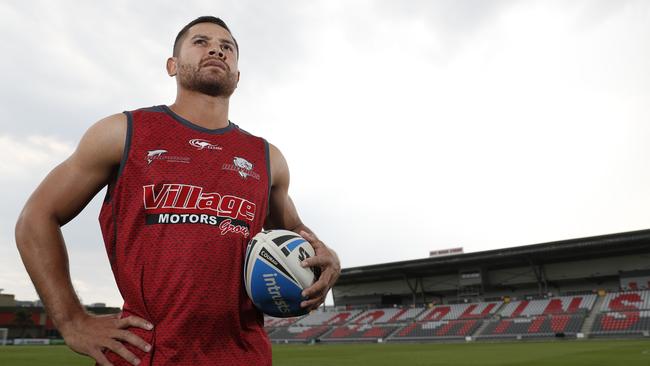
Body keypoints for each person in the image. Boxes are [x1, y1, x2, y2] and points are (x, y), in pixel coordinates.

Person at [15, 16, 340, 366]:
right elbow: (36, 217)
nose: (216, 48)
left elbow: (296, 233)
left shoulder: (267, 158)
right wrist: (71, 320)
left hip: (242, 355)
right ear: (172, 65)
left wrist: (329, 259)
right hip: (144, 355)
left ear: (238, 76)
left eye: (227, 47)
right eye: (200, 42)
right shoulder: (122, 133)